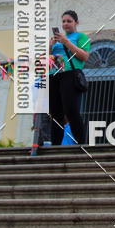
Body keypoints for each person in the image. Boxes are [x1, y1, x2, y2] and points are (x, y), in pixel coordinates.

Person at [49, 11, 90, 147]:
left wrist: (66, 42)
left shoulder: (81, 37)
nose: (66, 24)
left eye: (69, 21)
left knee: (71, 110)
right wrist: (50, 45)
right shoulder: (57, 40)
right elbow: (45, 59)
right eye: (64, 21)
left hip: (70, 74)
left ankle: (80, 143)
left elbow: (84, 56)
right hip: (54, 75)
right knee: (55, 114)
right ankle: (55, 145)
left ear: (76, 22)